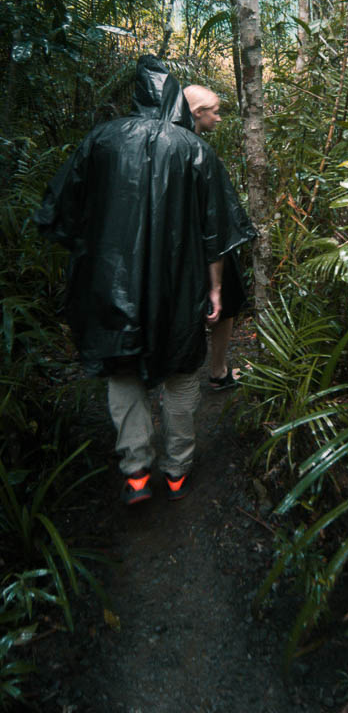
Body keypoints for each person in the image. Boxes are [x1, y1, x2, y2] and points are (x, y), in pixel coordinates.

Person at [35, 56, 254, 505]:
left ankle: (135, 471)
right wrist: (214, 289)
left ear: (136, 95)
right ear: (175, 97)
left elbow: (62, 211)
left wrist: (90, 263)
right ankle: (176, 469)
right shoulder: (195, 150)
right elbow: (215, 232)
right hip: (180, 286)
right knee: (180, 373)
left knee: (122, 370)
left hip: (112, 285)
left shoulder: (101, 140)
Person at [183, 84, 249, 390]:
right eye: (216, 112)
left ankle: (217, 370)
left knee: (225, 306)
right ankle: (213, 372)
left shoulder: (182, 144)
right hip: (202, 247)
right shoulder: (193, 150)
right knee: (223, 303)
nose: (219, 118)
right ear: (198, 113)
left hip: (183, 246)